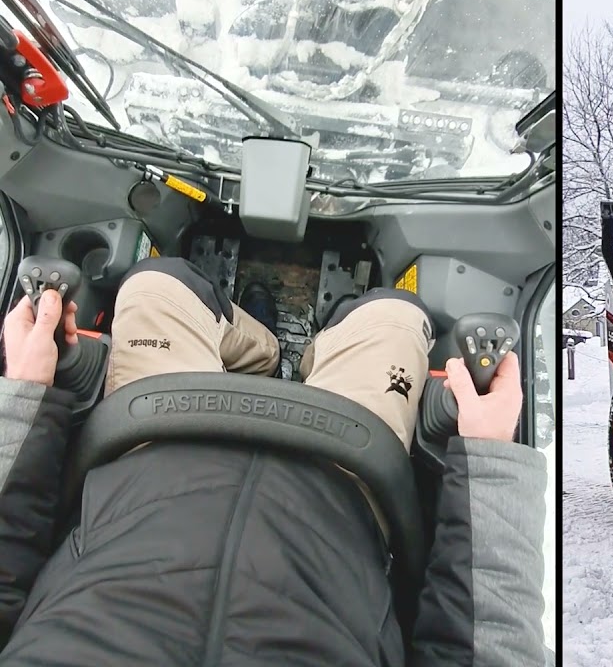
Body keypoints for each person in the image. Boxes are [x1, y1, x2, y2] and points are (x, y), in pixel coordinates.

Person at [0, 258, 546, 666]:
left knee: (157, 283)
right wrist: (489, 456)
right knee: (391, 315)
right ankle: (312, 349)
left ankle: (265, 349)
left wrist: (26, 390)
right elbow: (487, 650)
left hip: (149, 452)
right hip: (340, 485)